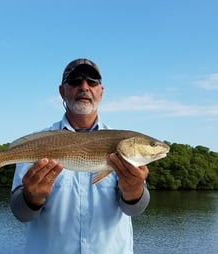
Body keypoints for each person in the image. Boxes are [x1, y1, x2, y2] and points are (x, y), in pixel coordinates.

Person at [10, 58, 150, 254]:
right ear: (62, 91)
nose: (84, 87)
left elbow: (135, 210)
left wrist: (134, 191)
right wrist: (31, 197)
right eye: (75, 81)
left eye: (92, 81)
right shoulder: (39, 143)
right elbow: (20, 213)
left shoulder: (122, 143)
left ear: (101, 91)